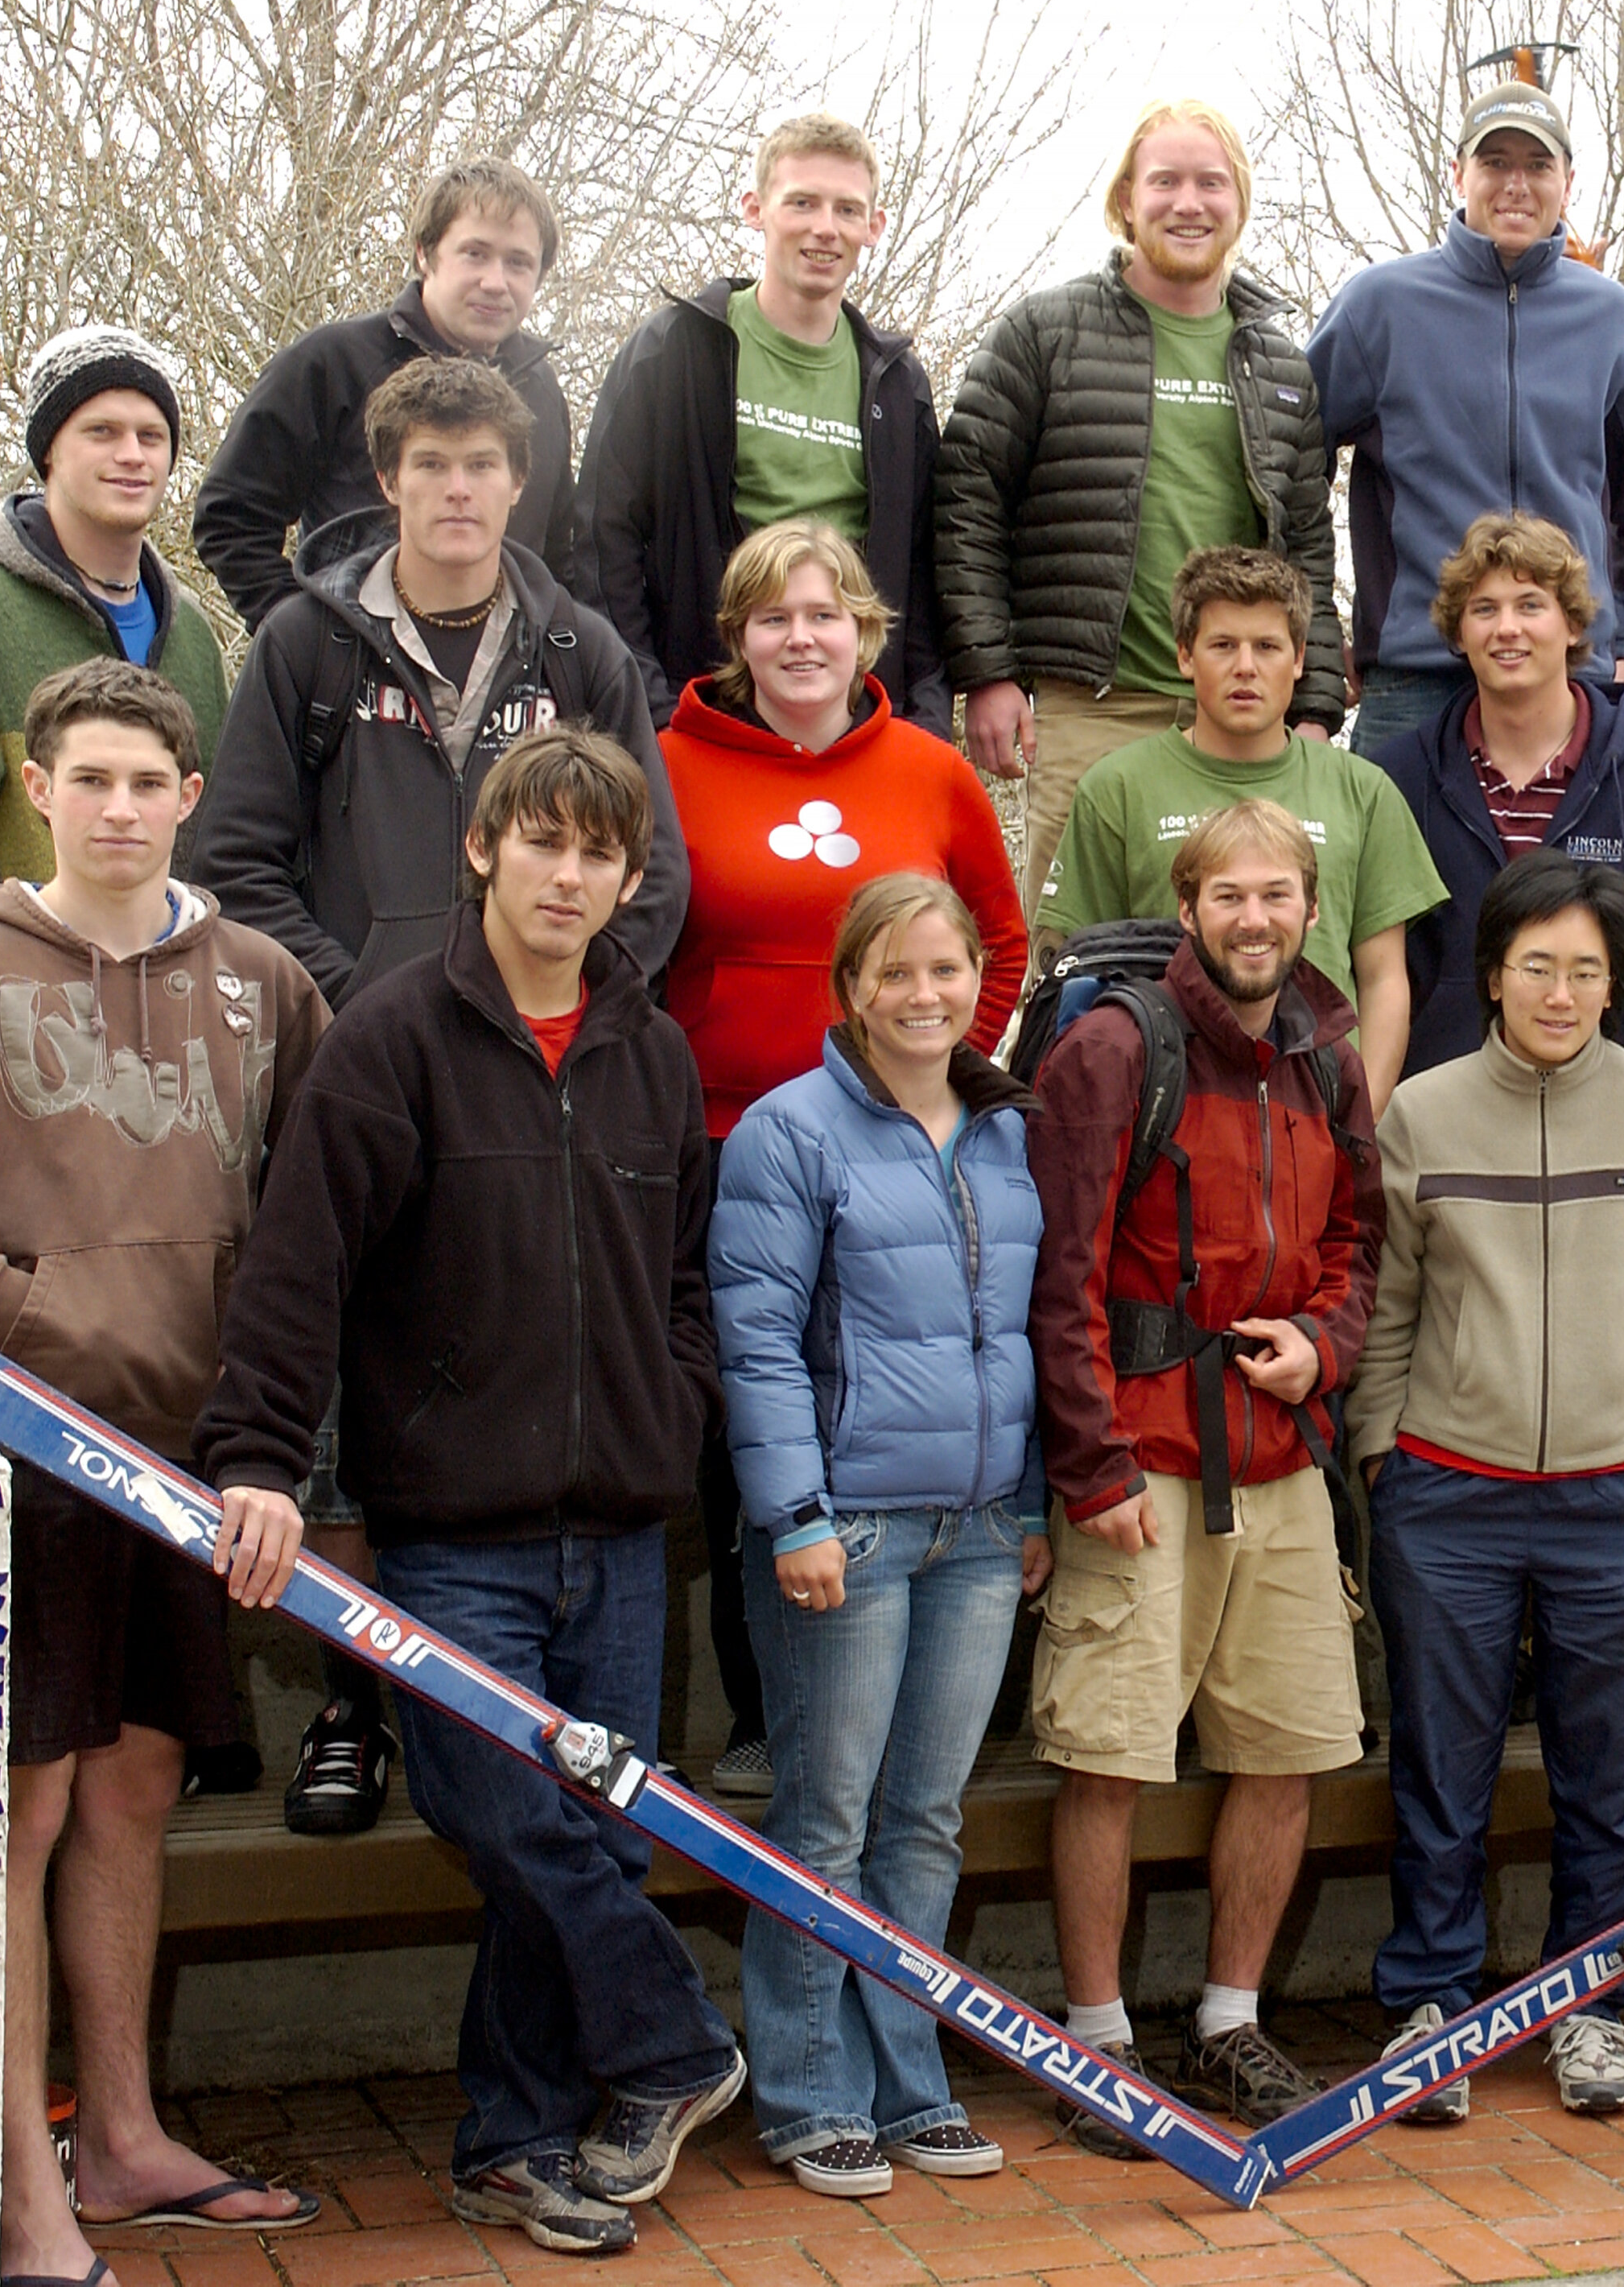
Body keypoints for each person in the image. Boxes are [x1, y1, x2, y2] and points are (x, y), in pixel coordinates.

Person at [0, 659, 330, 2277]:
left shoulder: (259, 983)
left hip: (191, 1469)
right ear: (38, 786)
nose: (117, 808)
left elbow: (313, 1219)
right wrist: (30, 1331)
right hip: (17, 1461)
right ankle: (22, 2186)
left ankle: (124, 2137)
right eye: (86, 778)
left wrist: (264, 1406)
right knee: (23, 1803)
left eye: (145, 781)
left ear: (186, 795)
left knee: (137, 1785)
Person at [197, 733, 741, 2255]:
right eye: (541, 843)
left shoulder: (651, 1053)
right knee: (499, 1806)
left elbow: (685, 1281)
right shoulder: (388, 1040)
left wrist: (672, 1401)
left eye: (598, 855)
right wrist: (256, 1458)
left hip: (625, 1535)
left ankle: (514, 2142)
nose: (567, 876)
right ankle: (675, 2043)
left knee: (582, 1840)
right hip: (448, 1536)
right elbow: (298, 1273)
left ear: (631, 881)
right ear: (482, 849)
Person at [196, 354, 691, 1837]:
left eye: (485, 465)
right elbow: (235, 859)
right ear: (388, 479)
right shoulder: (305, 640)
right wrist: (383, 1015)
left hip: (540, 1064)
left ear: (516, 482)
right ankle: (350, 1703)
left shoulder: (579, 642)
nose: (460, 490)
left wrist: (561, 1004)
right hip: (362, 1054)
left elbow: (645, 866)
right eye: (432, 465)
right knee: (357, 1359)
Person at [1350, 852, 1624, 2121]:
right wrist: (1381, 1454)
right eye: (1538, 967)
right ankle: (1434, 2004)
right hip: (1445, 1496)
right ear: (1491, 975)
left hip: (1622, 1499)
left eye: (1586, 970)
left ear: (1614, 984)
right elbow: (1390, 1305)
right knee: (1439, 1766)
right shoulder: (1420, 1112)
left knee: (1611, 1777)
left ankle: (1589, 2007)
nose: (1562, 991)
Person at [1024, 799, 1379, 2148]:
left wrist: (1322, 1345)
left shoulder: (1324, 1060)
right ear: (1187, 908)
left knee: (1281, 1750)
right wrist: (1088, 1462)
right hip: (1142, 1459)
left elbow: (1355, 1237)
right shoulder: (1114, 1048)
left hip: (1278, 1458)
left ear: (1306, 908)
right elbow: (1055, 1273)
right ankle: (1098, 2039)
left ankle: (1229, 2020)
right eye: (1225, 895)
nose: (1252, 918)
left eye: (1275, 895)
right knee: (1107, 1757)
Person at [661, 519, 1028, 1796]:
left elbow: (999, 937)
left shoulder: (929, 773)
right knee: (746, 1424)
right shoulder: (669, 766)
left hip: (890, 1154)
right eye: (771, 618)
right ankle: (766, 1711)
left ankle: (919, 1710)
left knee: (881, 1398)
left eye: (824, 614)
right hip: (718, 1145)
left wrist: (924, 1089)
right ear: (736, 641)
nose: (799, 638)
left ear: (865, 629)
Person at [708, 873, 1053, 2194]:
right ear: (851, 987)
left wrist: (1022, 1503)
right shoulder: (789, 1134)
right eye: (894, 973)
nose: (923, 996)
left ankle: (910, 2079)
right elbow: (753, 1337)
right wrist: (790, 1513)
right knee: (825, 1818)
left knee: (925, 1819)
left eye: (946, 971)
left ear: (979, 981)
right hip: (840, 1531)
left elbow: (1017, 1335)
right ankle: (807, 2094)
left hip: (973, 1531)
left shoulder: (1006, 1131)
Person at [938, 100, 1344, 911]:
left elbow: (1305, 545)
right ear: (1127, 198)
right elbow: (966, 499)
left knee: (1237, 951)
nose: (1188, 203)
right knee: (1068, 956)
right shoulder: (1045, 332)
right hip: (1093, 705)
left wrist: (1316, 705)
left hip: (1236, 707)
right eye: (1165, 181)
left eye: (1210, 183)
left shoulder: (1280, 365)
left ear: (1239, 203)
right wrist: (987, 673)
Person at [1309, 79, 1624, 754]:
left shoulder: (1611, 319)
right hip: (1415, 683)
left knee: (1569, 869)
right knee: (1390, 866)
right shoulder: (1379, 306)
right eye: (1495, 163)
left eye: (1537, 166)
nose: (1516, 184)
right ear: (1459, 174)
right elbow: (1284, 465)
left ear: (1567, 182)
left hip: (1572, 681)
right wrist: (1316, 628)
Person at [571, 114, 946, 736]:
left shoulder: (898, 385)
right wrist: (650, 712)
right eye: (801, 202)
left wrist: (921, 722)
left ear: (874, 228)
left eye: (847, 210)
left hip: (855, 722)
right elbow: (600, 541)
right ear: (754, 208)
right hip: (698, 711)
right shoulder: (676, 351)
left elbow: (924, 572)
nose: (825, 228)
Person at [1036, 545, 1445, 1104]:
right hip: (1168, 1109)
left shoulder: (1362, 790)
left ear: (1299, 659)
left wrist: (1360, 1123)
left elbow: (1383, 981)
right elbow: (1075, 971)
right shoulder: (1118, 788)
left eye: (1267, 647)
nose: (1245, 667)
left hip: (1318, 1113)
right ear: (1185, 655)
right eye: (1223, 646)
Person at [0, 326, 229, 943]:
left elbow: (221, 843)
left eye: (152, 436)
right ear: (48, 453)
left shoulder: (193, 636)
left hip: (173, 1013)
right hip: (18, 1016)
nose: (132, 455)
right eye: (102, 432)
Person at [1369, 514, 1624, 1091]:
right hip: (1441, 1122)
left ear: (1573, 625)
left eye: (1530, 605)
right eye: (1484, 609)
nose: (1506, 628)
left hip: (1608, 1122)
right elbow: (1376, 978)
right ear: (1458, 634)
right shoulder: (1396, 781)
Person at [192, 159, 576, 630]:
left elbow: (559, 560)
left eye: (518, 262)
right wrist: (313, 642)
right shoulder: (332, 363)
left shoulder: (541, 392)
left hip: (502, 684)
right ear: (424, 253)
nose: (495, 282)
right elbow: (229, 519)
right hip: (349, 689)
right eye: (475, 254)